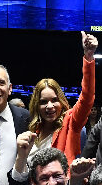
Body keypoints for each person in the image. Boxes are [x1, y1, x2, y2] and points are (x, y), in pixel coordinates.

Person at [26, 32, 96, 164]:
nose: (50, 106)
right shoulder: (34, 130)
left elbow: (87, 98)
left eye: (54, 100)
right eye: (43, 102)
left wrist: (89, 57)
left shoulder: (70, 122)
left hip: (63, 184)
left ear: (61, 101)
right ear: (36, 106)